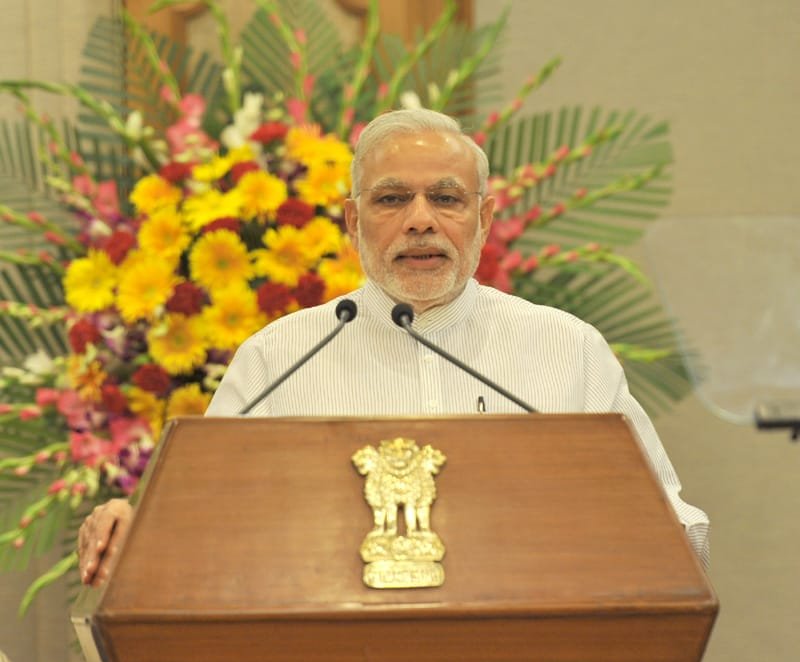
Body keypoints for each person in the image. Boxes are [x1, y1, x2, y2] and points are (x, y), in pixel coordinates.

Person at [78, 108, 709, 586]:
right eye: (391, 199)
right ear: (353, 223)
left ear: (484, 219)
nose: (420, 219)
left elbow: (677, 532)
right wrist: (137, 534)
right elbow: (198, 525)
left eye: (445, 198)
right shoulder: (279, 356)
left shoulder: (566, 348)